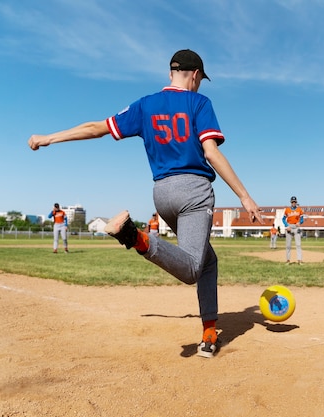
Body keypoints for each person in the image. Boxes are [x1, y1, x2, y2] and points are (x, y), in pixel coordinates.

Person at [28, 49, 263, 358]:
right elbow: (211, 152)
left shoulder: (146, 105)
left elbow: (96, 127)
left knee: (208, 261)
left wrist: (50, 137)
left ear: (170, 73)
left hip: (162, 194)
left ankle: (209, 331)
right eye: (200, 80)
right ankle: (135, 237)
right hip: (193, 192)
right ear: (194, 75)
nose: (200, 85)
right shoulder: (199, 103)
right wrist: (244, 196)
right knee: (192, 267)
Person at [282, 196, 304, 264]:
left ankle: (299, 260)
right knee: (288, 245)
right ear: (290, 202)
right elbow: (283, 219)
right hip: (289, 226)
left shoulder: (299, 210)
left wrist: (299, 222)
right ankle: (288, 260)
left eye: (294, 202)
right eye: (292, 202)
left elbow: (302, 219)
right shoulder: (287, 210)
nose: (293, 203)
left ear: (296, 202)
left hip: (296, 227)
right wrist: (286, 225)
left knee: (298, 244)